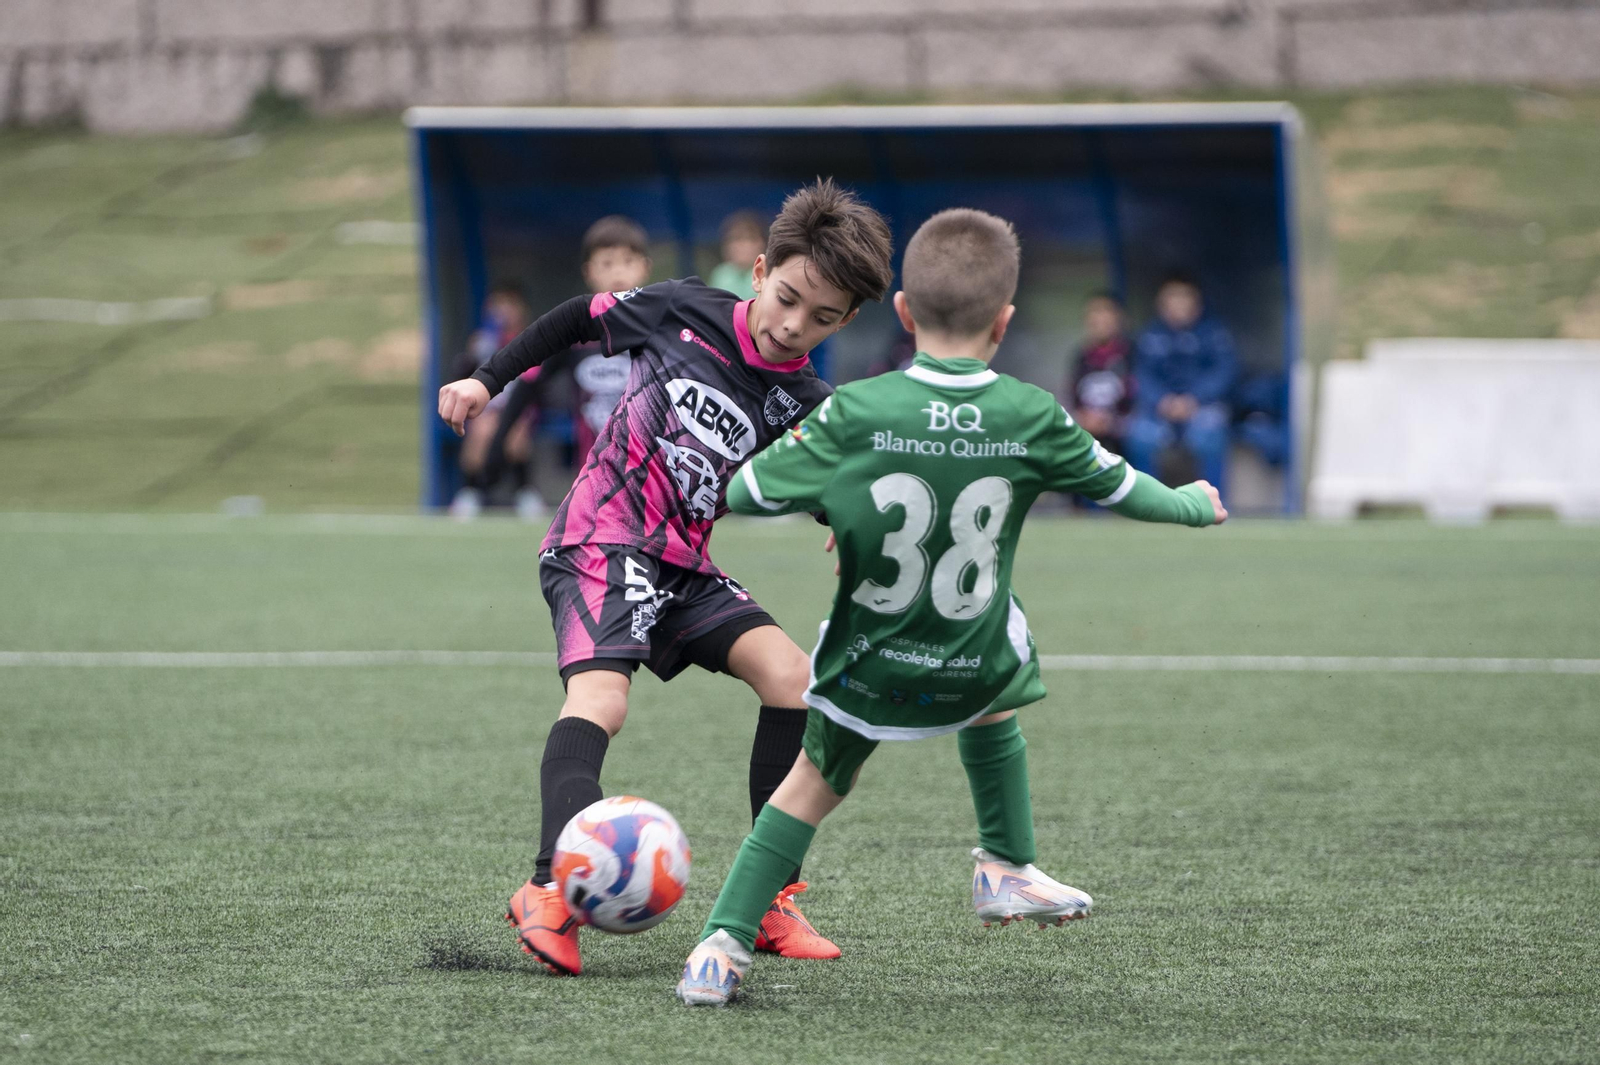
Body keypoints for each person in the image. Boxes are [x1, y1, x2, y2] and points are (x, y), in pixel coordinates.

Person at [674, 208, 1226, 1007]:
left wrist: (842, 495)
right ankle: (1005, 862)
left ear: (902, 312)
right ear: (1004, 322)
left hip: (868, 664)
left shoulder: (856, 409)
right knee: (1001, 624)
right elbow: (1122, 487)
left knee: (808, 786)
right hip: (973, 664)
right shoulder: (1032, 414)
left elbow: (747, 492)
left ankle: (720, 946)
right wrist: (1192, 504)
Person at [436, 179, 895, 977]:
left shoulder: (807, 402)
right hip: (597, 537)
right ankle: (548, 887)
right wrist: (487, 379)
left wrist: (846, 523)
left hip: (681, 562)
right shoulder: (682, 307)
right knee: (602, 701)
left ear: (846, 321)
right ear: (759, 272)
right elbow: (576, 316)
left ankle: (767, 899)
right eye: (787, 298)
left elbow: (819, 485)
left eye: (821, 317)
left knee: (795, 680)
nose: (794, 324)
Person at [482, 216, 653, 517]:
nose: (618, 272)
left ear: (645, 267)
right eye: (607, 263)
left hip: (652, 477)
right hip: (593, 476)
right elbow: (529, 383)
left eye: (628, 261)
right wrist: (498, 444)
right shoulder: (574, 335)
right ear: (588, 271)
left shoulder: (661, 330)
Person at [1125, 273, 1238, 492]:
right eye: (1172, 297)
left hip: (1201, 405)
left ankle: (1214, 502)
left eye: (1185, 297)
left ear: (1197, 302)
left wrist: (1194, 399)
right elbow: (1141, 375)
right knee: (1140, 434)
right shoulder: (1150, 334)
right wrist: (1162, 401)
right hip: (1159, 408)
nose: (1179, 303)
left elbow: (1224, 372)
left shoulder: (1213, 332)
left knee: (1210, 433)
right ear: (1161, 303)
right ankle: (1147, 502)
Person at [448, 284, 531, 519]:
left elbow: (537, 382)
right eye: (497, 305)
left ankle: (524, 492)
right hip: (487, 408)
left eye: (509, 305)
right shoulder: (484, 341)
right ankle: (471, 491)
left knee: (515, 432)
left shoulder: (530, 337)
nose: (503, 311)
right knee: (481, 430)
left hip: (521, 408)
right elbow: (462, 377)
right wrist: (471, 355)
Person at [1066, 290, 1134, 455]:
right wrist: (1084, 417)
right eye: (1094, 312)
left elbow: (1138, 400)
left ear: (1119, 317)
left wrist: (1112, 421)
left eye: (1106, 311)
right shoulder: (1081, 357)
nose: (1100, 318)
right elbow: (1072, 398)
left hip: (1123, 430)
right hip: (1088, 428)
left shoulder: (1132, 354)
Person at [707, 210, 766, 300]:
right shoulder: (720, 274)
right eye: (736, 239)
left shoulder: (769, 273)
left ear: (762, 244)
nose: (742, 245)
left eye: (750, 239)